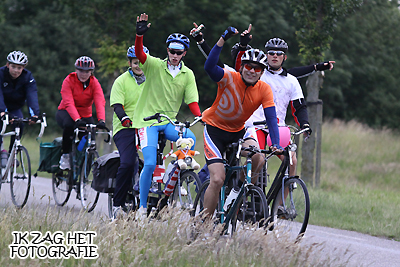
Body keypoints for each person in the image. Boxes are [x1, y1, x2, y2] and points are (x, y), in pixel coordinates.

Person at [201, 26, 282, 218]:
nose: (252, 71)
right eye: (248, 67)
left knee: (258, 158)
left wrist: (276, 143)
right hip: (214, 131)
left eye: (257, 69)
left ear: (262, 73)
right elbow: (209, 67)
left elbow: (271, 118)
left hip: (239, 131)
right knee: (218, 179)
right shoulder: (229, 77)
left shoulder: (264, 89)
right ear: (242, 67)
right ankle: (202, 224)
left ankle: (240, 188)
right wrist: (223, 39)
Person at [134, 13, 202, 217]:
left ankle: (173, 173)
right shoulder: (155, 65)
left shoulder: (187, 74)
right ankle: (142, 207)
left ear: (184, 54)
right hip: (147, 120)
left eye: (178, 52)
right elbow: (140, 54)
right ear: (167, 51)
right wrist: (139, 36)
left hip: (169, 122)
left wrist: (202, 116)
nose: (174, 55)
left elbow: (192, 102)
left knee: (190, 138)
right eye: (172, 51)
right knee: (150, 163)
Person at [109, 45, 149, 219]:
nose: (138, 65)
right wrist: (124, 118)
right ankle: (117, 205)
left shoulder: (153, 80)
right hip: (125, 127)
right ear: (129, 63)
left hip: (147, 125)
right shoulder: (121, 81)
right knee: (127, 163)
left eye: (141, 61)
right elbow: (117, 105)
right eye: (134, 62)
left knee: (154, 160)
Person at [56, 56, 106, 171]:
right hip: (66, 111)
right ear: (76, 70)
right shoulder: (69, 80)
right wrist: (77, 119)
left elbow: (99, 101)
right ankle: (66, 155)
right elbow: (68, 102)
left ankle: (84, 163)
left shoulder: (94, 83)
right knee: (69, 126)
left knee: (91, 140)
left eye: (87, 71)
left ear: (91, 72)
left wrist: (101, 120)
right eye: (81, 70)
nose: (84, 74)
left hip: (85, 114)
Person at [0, 51, 41, 151]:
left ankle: (12, 154)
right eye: (13, 66)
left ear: (23, 68)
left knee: (20, 124)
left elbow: (32, 95)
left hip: (14, 107)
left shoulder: (27, 77)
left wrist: (34, 114)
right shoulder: (1, 74)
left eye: (19, 68)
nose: (16, 70)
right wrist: (2, 112)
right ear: (7, 65)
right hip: (1, 107)